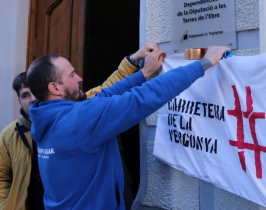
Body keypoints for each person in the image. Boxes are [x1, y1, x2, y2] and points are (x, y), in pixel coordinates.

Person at [26, 46, 229, 209]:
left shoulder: (46, 118)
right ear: (55, 88)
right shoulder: (79, 119)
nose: (79, 78)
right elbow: (142, 98)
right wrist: (204, 63)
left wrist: (143, 73)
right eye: (72, 75)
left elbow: (103, 97)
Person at [0, 44, 156, 210]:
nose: (32, 99)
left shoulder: (77, 109)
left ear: (51, 89)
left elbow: (108, 88)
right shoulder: (11, 134)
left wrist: (134, 62)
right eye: (25, 95)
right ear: (19, 101)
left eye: (34, 93)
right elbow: (2, 177)